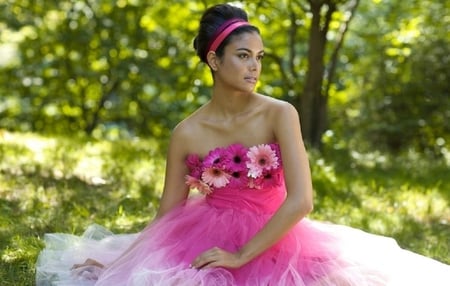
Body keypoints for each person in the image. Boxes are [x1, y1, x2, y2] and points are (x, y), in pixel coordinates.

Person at [36, 3, 449, 285]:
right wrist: (123, 262)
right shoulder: (187, 132)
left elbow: (302, 200)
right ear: (215, 61)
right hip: (201, 233)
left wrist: (240, 255)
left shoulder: (279, 114)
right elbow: (168, 214)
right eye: (243, 56)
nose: (255, 67)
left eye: (259, 56)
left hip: (279, 234)